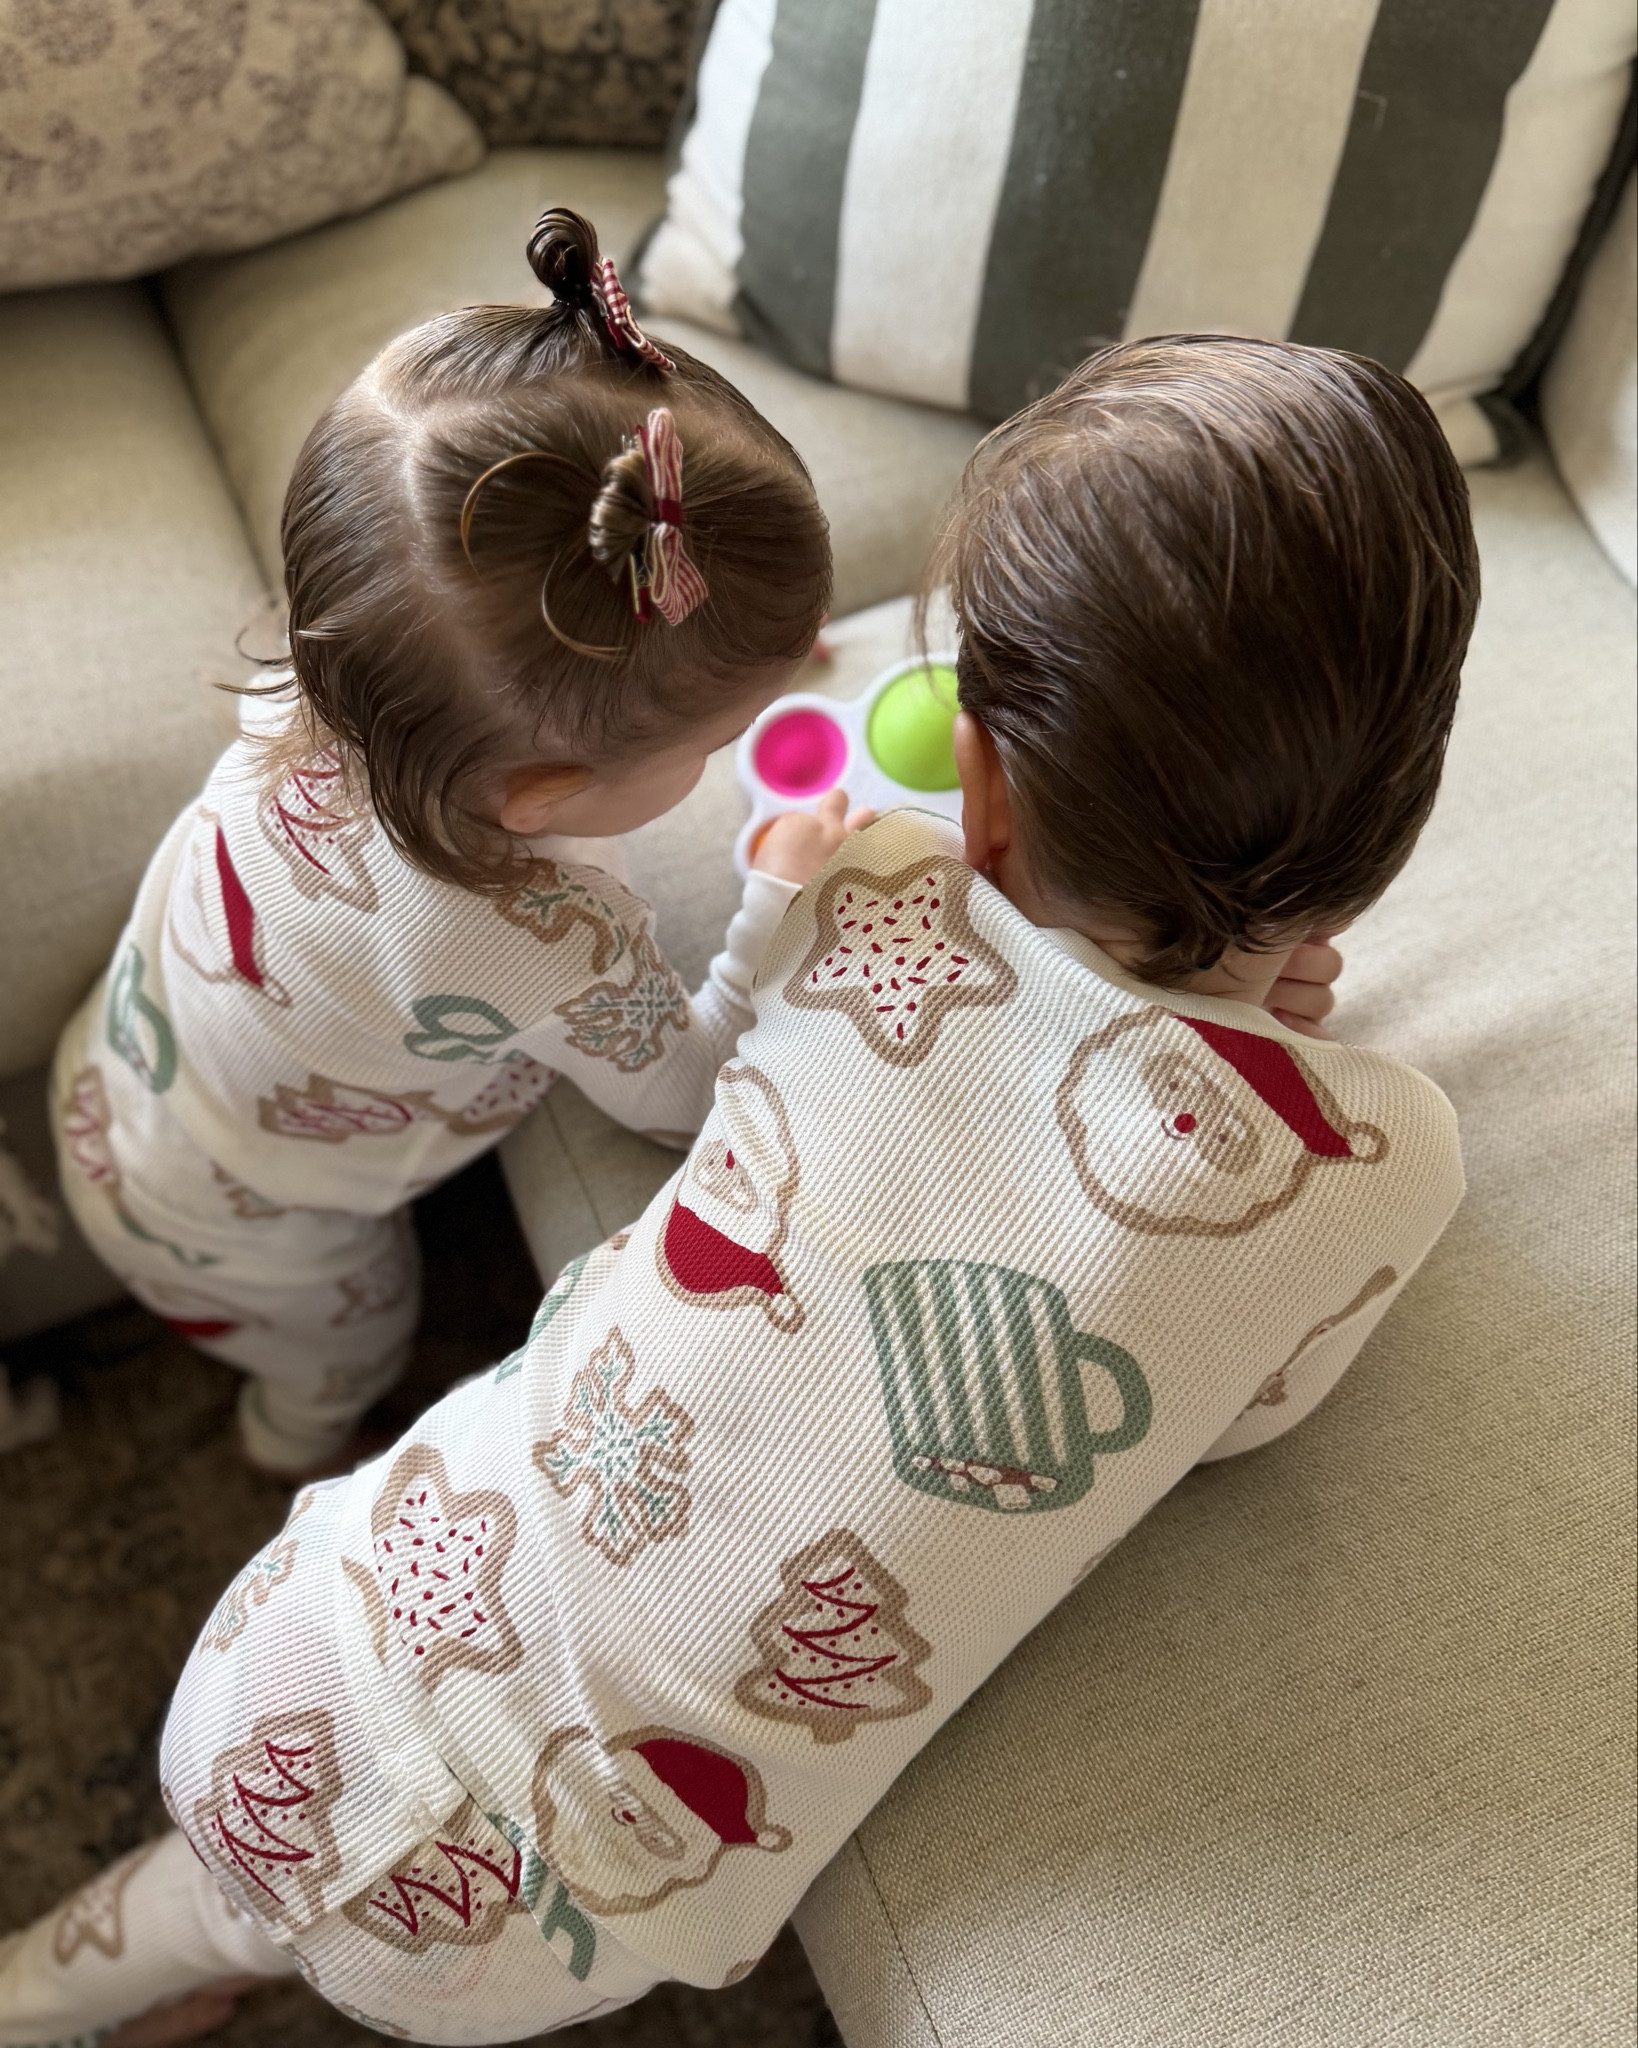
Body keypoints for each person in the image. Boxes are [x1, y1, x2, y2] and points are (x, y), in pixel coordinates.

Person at [1, 334, 1475, 2047]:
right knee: (316, 1914)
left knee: (221, 1872)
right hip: (561, 1907)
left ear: (979, 778)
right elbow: (1240, 1411)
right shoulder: (1374, 1161)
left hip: (319, 1635)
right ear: (1389, 821)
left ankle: (83, 1971)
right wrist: (1240, 1031)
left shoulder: (867, 890)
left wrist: (823, 876)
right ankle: (252, 1940)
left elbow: (783, 1044)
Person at [45, 208, 854, 1479]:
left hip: (110, 1071)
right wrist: (777, 890)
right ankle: (294, 1443)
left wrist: (705, 663)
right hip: (256, 1234)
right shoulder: (553, 937)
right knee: (353, 1346)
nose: (724, 747)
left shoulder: (309, 682)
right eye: (713, 736)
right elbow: (685, 1097)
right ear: (538, 794)